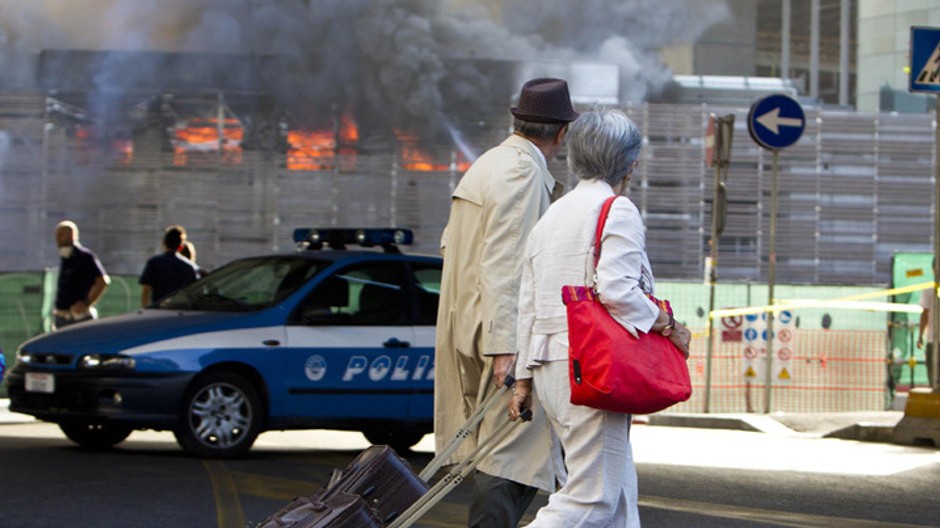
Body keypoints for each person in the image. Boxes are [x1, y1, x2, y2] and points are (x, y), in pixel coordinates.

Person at [509, 108, 692, 527]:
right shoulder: (617, 209)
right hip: (593, 365)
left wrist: (522, 381)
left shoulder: (553, 214)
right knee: (591, 499)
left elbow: (529, 303)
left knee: (618, 493)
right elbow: (617, 290)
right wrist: (669, 327)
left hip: (552, 367)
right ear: (630, 163)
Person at [434, 78, 579, 528]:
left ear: (517, 120)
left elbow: (450, 246)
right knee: (512, 455)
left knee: (499, 450)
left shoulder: (489, 163)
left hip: (469, 322)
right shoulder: (522, 171)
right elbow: (507, 262)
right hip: (499, 334)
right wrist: (505, 349)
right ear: (561, 133)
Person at [53, 220, 110, 329]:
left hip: (78, 318)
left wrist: (86, 303)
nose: (58, 239)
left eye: (61, 235)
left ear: (71, 235)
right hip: (62, 317)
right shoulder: (66, 259)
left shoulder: (84, 257)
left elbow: (102, 282)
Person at [139, 225, 199, 307]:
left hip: (159, 311)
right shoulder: (188, 267)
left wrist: (145, 310)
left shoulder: (154, 263)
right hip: (180, 312)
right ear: (181, 246)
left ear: (164, 243)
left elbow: (146, 291)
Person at [917, 285, 936, 387]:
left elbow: (924, 314)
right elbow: (925, 314)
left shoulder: (928, 290)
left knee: (933, 374)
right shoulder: (929, 290)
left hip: (932, 340)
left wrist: (920, 336)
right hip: (932, 339)